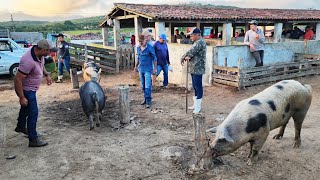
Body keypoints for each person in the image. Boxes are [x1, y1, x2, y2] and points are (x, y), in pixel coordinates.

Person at [14, 39, 57, 147]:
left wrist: (46, 75)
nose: (50, 53)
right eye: (49, 51)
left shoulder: (39, 55)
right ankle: (33, 139)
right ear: (43, 49)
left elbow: (41, 66)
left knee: (25, 108)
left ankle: (20, 126)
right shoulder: (28, 61)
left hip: (32, 88)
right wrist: (21, 97)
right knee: (33, 113)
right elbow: (17, 79)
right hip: (27, 90)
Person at [181, 27, 206, 114]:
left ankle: (198, 107)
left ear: (197, 35)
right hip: (194, 68)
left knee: (198, 87)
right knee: (195, 87)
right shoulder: (197, 42)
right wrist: (188, 57)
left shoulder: (200, 42)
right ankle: (195, 105)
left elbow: (191, 51)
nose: (191, 37)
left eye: (192, 35)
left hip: (198, 68)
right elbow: (193, 54)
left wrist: (184, 56)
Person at [134, 35, 157, 108]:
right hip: (141, 68)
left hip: (148, 69)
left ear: (145, 40)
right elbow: (138, 58)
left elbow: (154, 58)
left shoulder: (150, 48)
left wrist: (155, 68)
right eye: (139, 42)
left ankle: (148, 101)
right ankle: (145, 98)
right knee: (143, 85)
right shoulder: (138, 48)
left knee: (148, 85)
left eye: (142, 41)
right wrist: (136, 66)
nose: (140, 43)